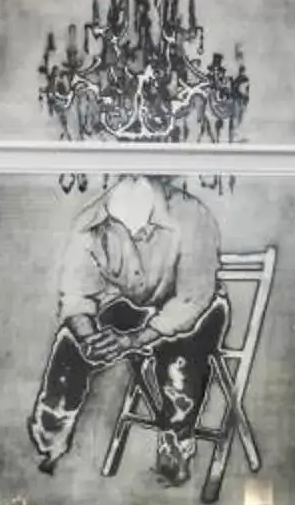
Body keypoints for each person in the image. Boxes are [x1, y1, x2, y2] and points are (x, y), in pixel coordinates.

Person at [27, 175, 228, 485]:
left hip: (195, 309)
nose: (136, 240)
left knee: (179, 356)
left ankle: (175, 443)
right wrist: (88, 337)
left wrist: (136, 338)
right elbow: (77, 293)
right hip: (136, 304)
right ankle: (50, 438)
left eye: (143, 232)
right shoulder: (90, 223)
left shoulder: (192, 216)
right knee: (70, 344)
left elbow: (192, 299)